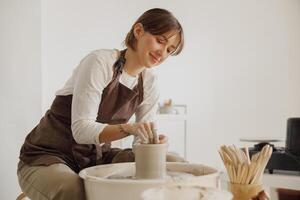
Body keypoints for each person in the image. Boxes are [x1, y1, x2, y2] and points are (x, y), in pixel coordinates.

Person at [17, 8, 184, 200]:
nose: (162, 53)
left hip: (95, 159)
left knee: (174, 164)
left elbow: (141, 144)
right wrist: (129, 128)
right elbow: (81, 131)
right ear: (138, 31)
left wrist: (152, 143)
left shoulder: (149, 82)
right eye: (160, 41)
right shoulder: (100, 62)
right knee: (75, 190)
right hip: (47, 156)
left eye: (170, 50)